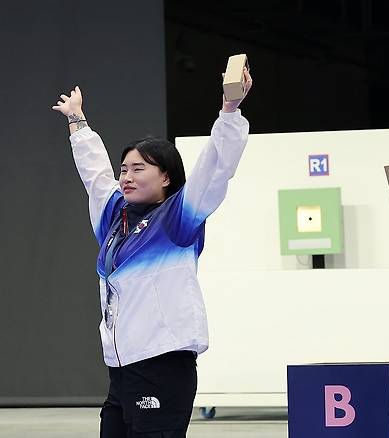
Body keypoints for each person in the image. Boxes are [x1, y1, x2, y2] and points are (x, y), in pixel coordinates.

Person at [52, 66, 253, 437]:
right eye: (124, 168)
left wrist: (230, 110)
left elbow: (216, 169)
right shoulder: (115, 216)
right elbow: (96, 175)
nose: (125, 176)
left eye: (138, 169)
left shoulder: (179, 217)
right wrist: (78, 123)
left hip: (163, 364)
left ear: (165, 177)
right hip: (121, 369)